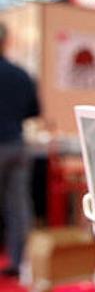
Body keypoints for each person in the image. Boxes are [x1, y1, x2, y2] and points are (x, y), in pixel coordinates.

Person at [0, 22, 40, 277]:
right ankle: (18, 262)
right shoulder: (21, 74)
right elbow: (34, 111)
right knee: (19, 206)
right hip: (17, 144)